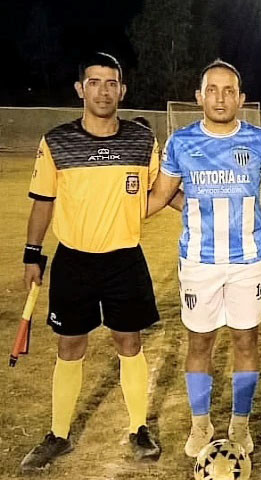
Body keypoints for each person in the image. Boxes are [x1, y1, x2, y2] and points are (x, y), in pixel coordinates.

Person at [20, 52, 162, 471]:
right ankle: (58, 433)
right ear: (80, 89)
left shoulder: (141, 141)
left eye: (111, 83)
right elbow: (43, 202)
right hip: (74, 261)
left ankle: (138, 428)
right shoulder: (56, 142)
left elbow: (162, 190)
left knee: (129, 342)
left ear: (122, 90)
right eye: (95, 82)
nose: (103, 91)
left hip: (125, 260)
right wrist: (32, 254)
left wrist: (198, 204)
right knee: (69, 345)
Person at [146, 59, 261, 457]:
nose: (221, 98)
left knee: (246, 340)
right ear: (199, 97)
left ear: (241, 98)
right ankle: (200, 425)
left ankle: (240, 425)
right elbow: (160, 196)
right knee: (199, 343)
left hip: (248, 261)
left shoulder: (259, 140)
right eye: (212, 90)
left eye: (229, 91)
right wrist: (114, 213)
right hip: (199, 262)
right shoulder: (180, 142)